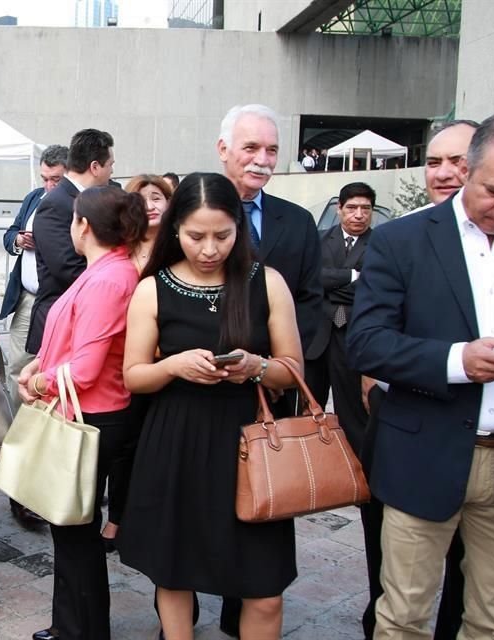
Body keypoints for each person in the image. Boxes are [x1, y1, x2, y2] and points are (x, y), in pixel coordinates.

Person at [347, 112, 494, 639]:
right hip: (422, 455)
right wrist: (457, 362)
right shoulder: (402, 242)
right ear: (468, 171)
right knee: (403, 617)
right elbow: (366, 342)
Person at [117, 172, 302, 640]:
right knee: (175, 572)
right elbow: (134, 376)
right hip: (177, 442)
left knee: (265, 588)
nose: (209, 249)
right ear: (175, 228)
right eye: (196, 236)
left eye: (223, 235)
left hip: (252, 447)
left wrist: (257, 366)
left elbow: (293, 369)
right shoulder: (152, 288)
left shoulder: (268, 283)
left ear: (239, 228)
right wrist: (174, 366)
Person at [16, 186, 148, 640]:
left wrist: (36, 383)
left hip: (91, 415)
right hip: (86, 410)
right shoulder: (106, 270)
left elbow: (87, 368)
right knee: (71, 530)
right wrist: (39, 364)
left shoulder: (110, 278)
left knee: (74, 533)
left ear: (84, 226)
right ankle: (73, 624)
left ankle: (81, 630)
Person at [217, 104, 323, 635]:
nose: (262, 161)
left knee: (259, 510)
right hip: (201, 392)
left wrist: (282, 366)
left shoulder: (297, 223)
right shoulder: (191, 210)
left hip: (270, 394)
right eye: (251, 148)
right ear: (223, 151)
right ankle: (179, 614)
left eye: (272, 150)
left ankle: (245, 612)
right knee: (199, 512)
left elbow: (311, 302)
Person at [100, 174, 173, 551]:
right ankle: (117, 519)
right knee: (125, 445)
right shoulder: (117, 251)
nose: (151, 205)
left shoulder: (180, 251)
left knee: (160, 444)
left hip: (168, 362)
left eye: (158, 197)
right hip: (121, 363)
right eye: (143, 199)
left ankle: (153, 516)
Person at [26, 128, 115, 356]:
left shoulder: (100, 198)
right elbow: (67, 268)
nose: (112, 171)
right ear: (95, 167)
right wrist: (116, 281)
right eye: (110, 165)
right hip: (62, 319)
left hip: (85, 316)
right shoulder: (55, 204)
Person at [0, 144, 69, 415]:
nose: (49, 186)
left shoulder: (76, 203)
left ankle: (44, 434)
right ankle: (16, 434)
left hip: (60, 299)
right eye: (45, 179)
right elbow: (10, 233)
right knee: (17, 366)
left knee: (52, 369)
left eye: (56, 179)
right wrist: (18, 239)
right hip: (28, 297)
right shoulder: (33, 198)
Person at [306, 181, 375, 454]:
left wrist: (331, 285)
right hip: (317, 337)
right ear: (339, 209)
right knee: (309, 409)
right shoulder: (319, 239)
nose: (359, 214)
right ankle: (308, 471)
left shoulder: (382, 243)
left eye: (365, 209)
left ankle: (360, 477)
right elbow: (311, 280)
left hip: (354, 335)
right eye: (352, 208)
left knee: (354, 413)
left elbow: (372, 288)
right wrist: (350, 276)